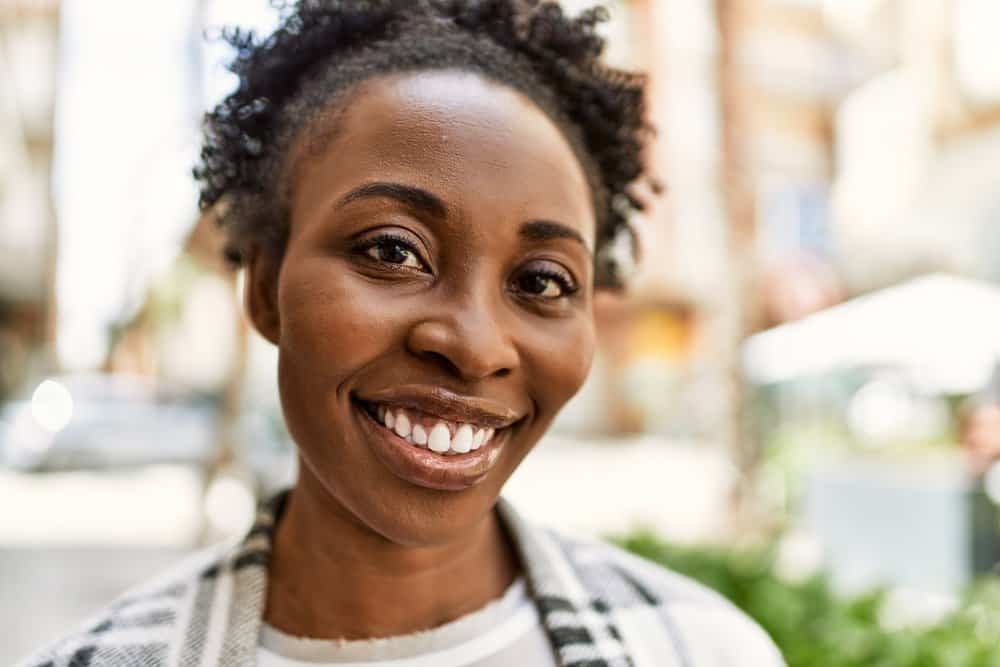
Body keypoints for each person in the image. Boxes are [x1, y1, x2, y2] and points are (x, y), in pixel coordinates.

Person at [21, 2, 785, 665]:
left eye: (543, 281)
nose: (477, 344)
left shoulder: (704, 649)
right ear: (263, 288)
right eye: (392, 250)